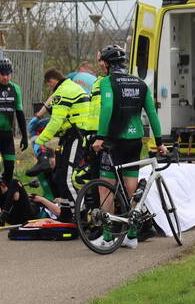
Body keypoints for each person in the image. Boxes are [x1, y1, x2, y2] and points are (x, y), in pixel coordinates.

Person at [90, 44, 167, 249]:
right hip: (135, 140)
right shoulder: (140, 83)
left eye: (102, 62)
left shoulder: (108, 82)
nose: (101, 65)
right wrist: (159, 142)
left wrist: (100, 137)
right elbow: (152, 114)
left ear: (107, 64)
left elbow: (107, 108)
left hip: (114, 141)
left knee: (105, 187)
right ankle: (132, 235)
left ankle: (108, 237)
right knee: (130, 186)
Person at [34, 68, 97, 216]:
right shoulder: (71, 86)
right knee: (61, 176)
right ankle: (67, 213)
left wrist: (40, 140)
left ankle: (80, 215)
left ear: (51, 81)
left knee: (68, 178)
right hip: (72, 136)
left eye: (48, 86)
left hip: (74, 136)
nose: (50, 89)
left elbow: (56, 121)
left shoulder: (62, 91)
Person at [0, 58, 28, 206]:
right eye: (2, 74)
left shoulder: (15, 89)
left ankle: (6, 201)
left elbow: (20, 113)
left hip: (7, 135)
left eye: (8, 74)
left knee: (10, 167)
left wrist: (25, 135)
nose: (5, 77)